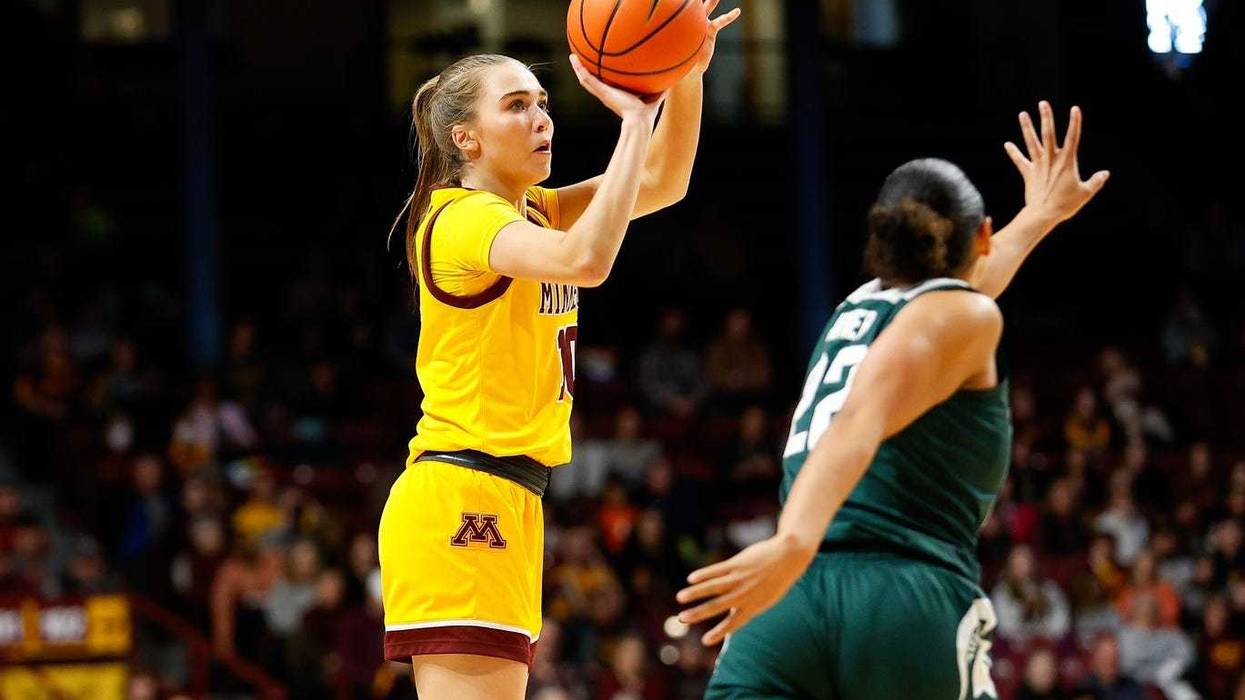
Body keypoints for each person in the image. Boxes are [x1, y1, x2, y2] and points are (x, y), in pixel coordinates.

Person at [677, 102, 1109, 698]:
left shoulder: (859, 307)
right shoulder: (966, 316)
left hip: (783, 605)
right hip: (898, 593)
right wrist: (792, 540)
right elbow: (860, 418)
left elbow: (977, 276)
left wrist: (1041, 214)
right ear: (979, 234)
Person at [377, 5, 741, 699]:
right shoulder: (460, 219)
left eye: (542, 102)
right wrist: (635, 120)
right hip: (461, 494)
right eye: (515, 106)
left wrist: (684, 69)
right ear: (466, 138)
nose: (541, 117)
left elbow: (663, 181)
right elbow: (587, 260)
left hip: (510, 495)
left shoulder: (531, 210)